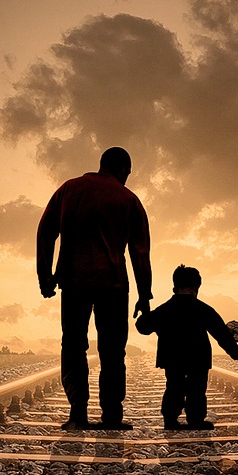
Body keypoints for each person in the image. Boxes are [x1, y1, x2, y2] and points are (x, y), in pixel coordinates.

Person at [37, 146, 151, 430]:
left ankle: (78, 414)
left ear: (102, 164)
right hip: (113, 284)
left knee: (73, 345)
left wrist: (45, 276)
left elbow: (45, 232)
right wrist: (144, 295)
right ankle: (112, 416)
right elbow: (140, 252)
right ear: (124, 170)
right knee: (112, 350)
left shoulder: (68, 190)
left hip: (73, 281)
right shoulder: (129, 199)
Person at [135, 264, 238, 430]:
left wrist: (145, 312)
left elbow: (143, 327)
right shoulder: (204, 310)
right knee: (197, 390)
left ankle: (170, 419)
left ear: (174, 287)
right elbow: (221, 333)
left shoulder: (164, 309)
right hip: (198, 358)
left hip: (171, 358)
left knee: (173, 387)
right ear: (196, 287)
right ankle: (196, 419)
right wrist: (235, 351)